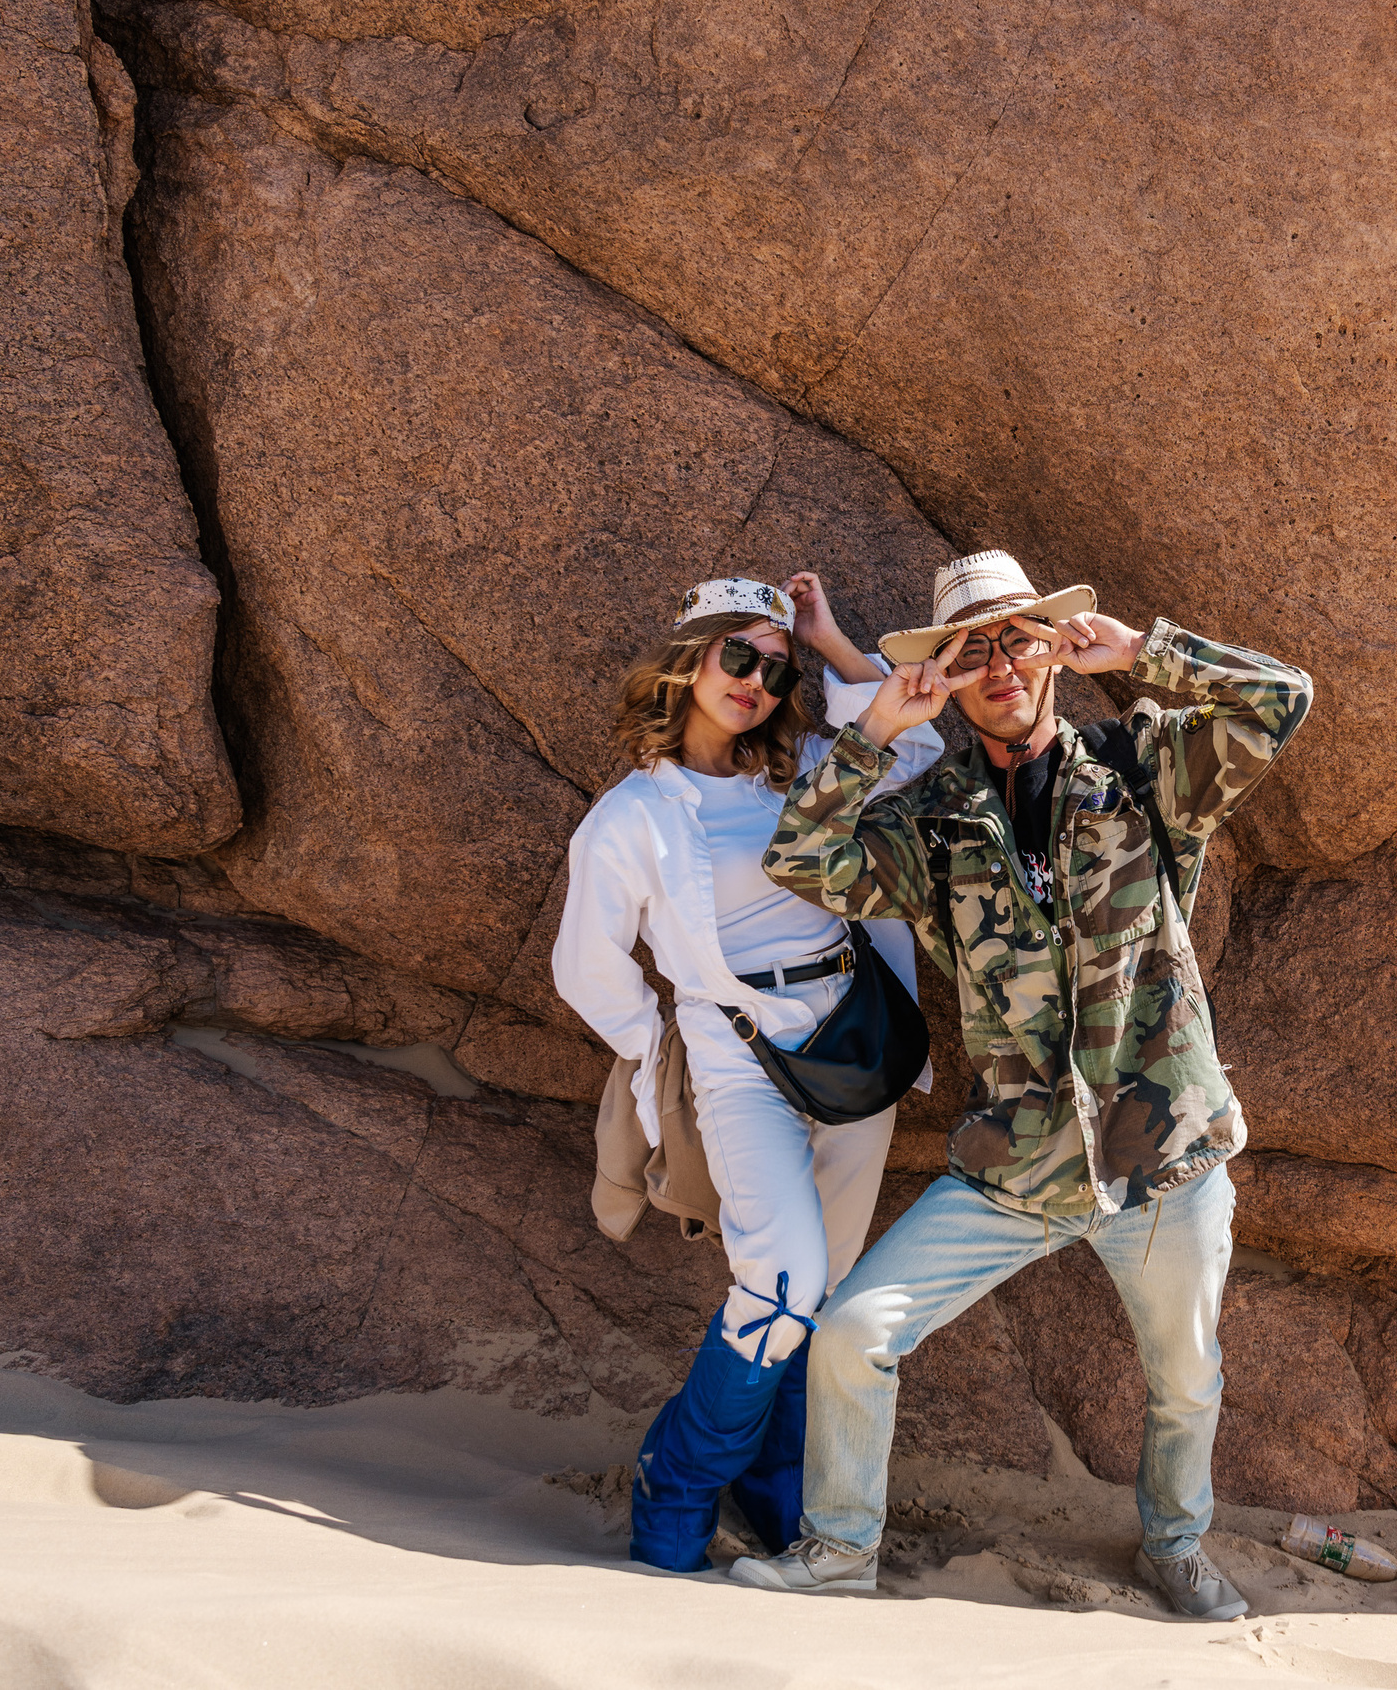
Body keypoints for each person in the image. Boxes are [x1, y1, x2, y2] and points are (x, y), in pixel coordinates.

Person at [730, 549, 1312, 1617]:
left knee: (1185, 1380)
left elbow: (1284, 700)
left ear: (1052, 648)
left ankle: (1175, 1545)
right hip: (1016, 1166)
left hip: (1165, 1155)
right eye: (972, 649)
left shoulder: (1141, 765)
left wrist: (1145, 653)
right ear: (948, 672)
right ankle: (839, 1551)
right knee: (855, 1332)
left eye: (1018, 637)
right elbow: (804, 863)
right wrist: (873, 736)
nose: (1000, 663)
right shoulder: (933, 821)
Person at [550, 571, 943, 1573]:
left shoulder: (806, 761)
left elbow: (925, 754)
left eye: (776, 667)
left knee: (833, 1287)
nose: (757, 682)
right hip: (735, 1052)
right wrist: (662, 1053)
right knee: (779, 1282)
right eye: (739, 656)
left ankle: (775, 1492)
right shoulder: (631, 817)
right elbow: (588, 972)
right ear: (689, 660)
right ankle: (675, 1482)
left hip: (851, 1031)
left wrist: (837, 643)